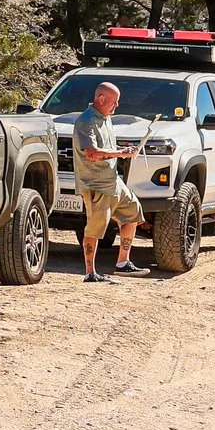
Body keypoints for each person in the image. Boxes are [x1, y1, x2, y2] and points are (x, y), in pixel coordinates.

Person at [72, 81, 144, 281]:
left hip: (113, 182)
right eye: (114, 102)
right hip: (96, 184)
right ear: (101, 98)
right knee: (95, 228)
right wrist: (120, 154)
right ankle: (89, 273)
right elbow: (92, 153)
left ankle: (123, 263)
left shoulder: (106, 118)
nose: (117, 106)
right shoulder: (86, 121)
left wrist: (125, 149)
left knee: (133, 212)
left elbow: (107, 148)